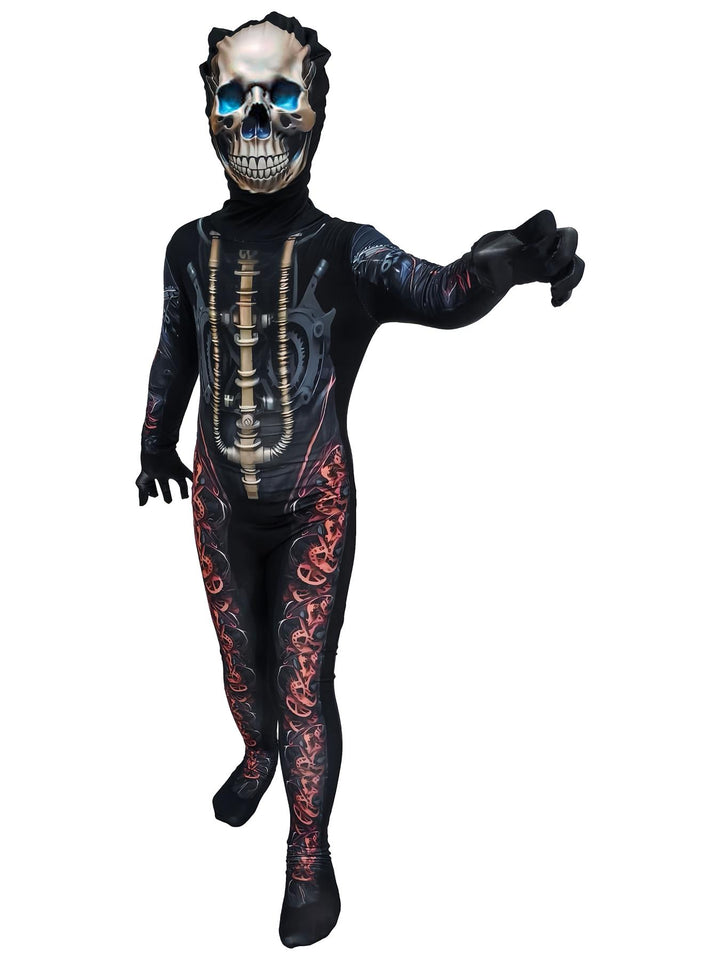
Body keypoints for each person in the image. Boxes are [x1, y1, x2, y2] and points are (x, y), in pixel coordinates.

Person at [136, 11, 584, 948]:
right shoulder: (185, 247)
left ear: (317, 107)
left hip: (314, 505)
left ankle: (308, 850)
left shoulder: (350, 251)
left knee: (302, 682)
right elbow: (177, 348)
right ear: (209, 111)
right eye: (237, 98)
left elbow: (445, 293)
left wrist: (505, 262)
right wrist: (151, 443)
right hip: (218, 502)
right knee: (240, 668)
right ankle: (256, 752)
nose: (258, 119)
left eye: (279, 94)